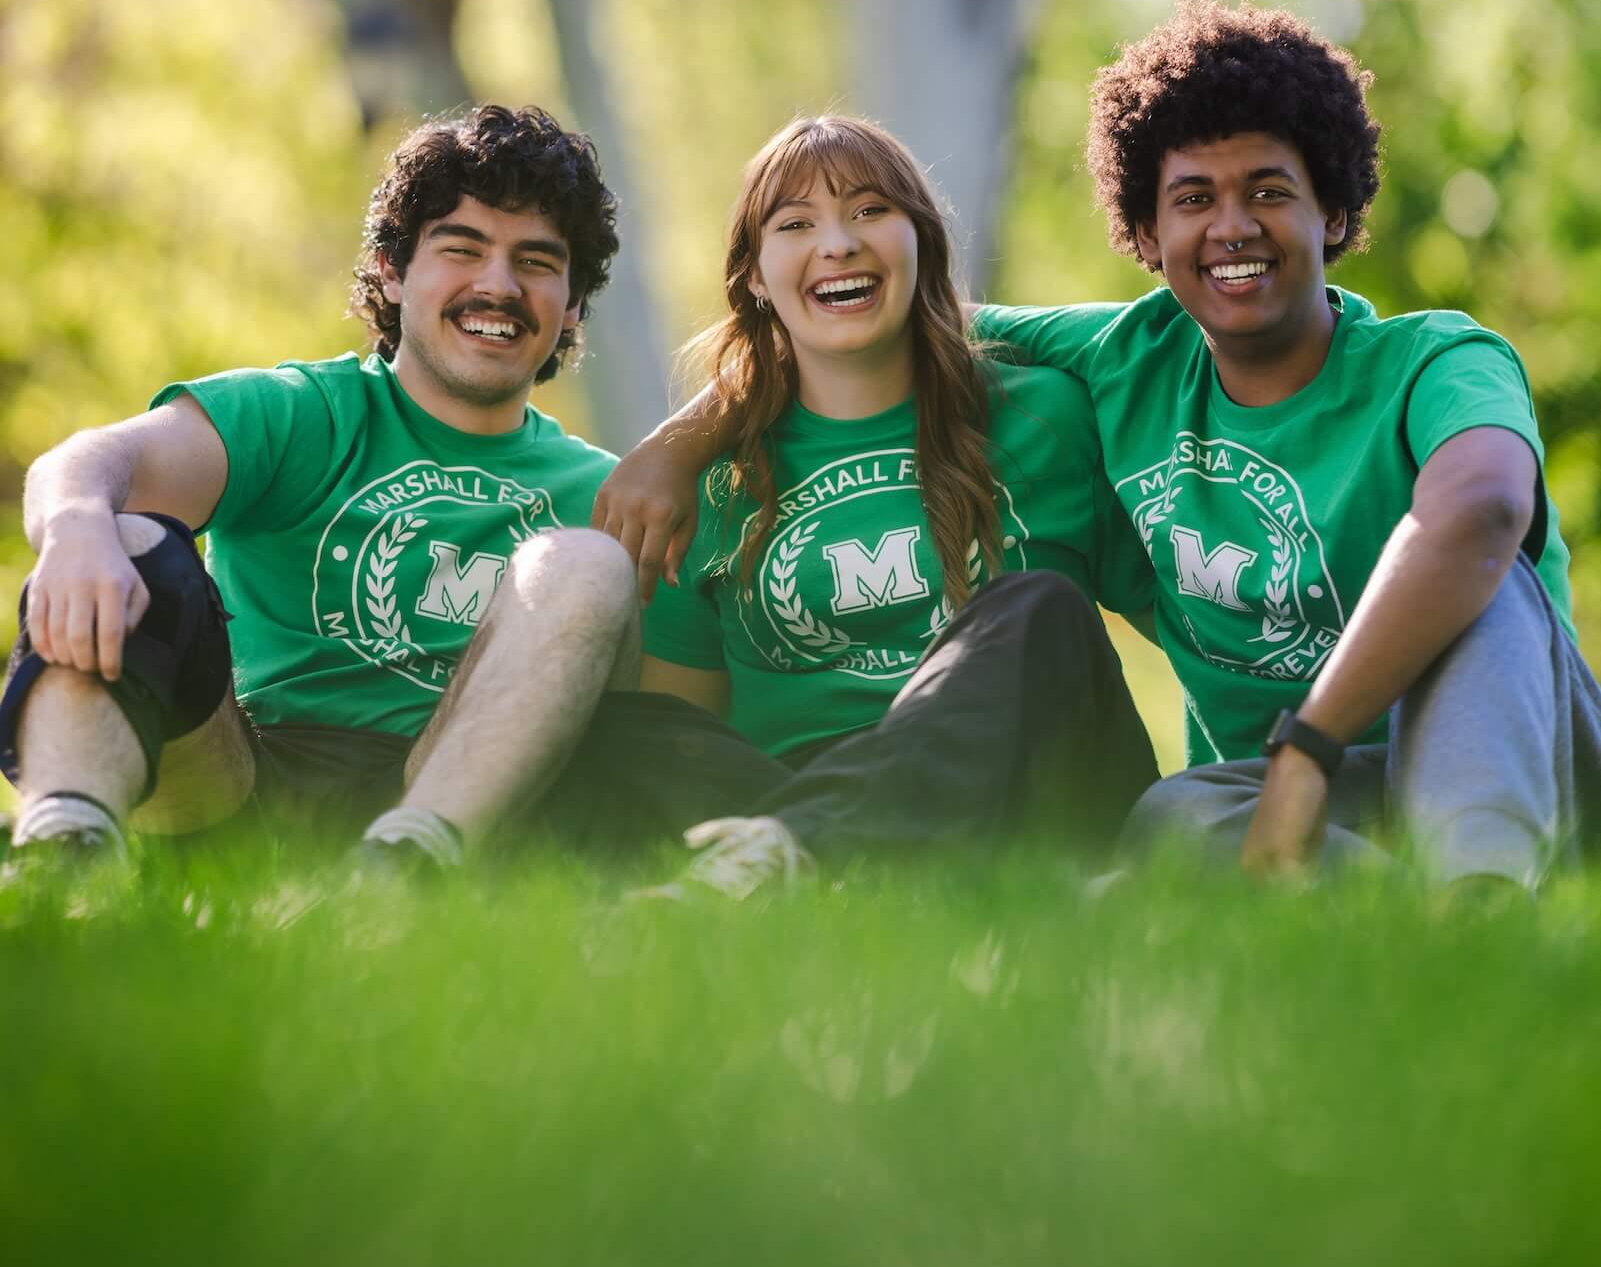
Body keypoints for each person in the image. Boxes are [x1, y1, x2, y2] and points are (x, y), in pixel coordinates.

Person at [967, 0, 1601, 887]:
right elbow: (896, 331)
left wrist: (1308, 742)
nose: (1231, 225)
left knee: (1482, 585)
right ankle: (1407, 919)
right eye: (1193, 199)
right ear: (1148, 234)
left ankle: (1482, 894)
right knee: (1172, 815)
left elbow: (1488, 506)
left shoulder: (1436, 360)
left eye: (1268, 190)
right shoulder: (1127, 357)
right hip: (1304, 799)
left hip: (1529, 771)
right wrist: (697, 435)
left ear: (1332, 215)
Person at [3, 103, 640, 876]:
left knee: (590, 564)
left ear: (572, 304)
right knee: (125, 538)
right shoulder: (300, 413)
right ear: (393, 271)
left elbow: (672, 721)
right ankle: (64, 856)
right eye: (461, 248)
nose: (497, 285)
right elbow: (90, 462)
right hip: (240, 782)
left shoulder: (611, 492)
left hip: (469, 802)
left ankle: (403, 875)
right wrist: (75, 529)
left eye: (537, 262)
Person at [587, 114, 1160, 901]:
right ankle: (826, 865)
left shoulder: (1048, 415)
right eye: (795, 225)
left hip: (1030, 801)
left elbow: (1189, 618)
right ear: (755, 276)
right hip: (780, 803)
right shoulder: (708, 482)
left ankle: (811, 852)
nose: (838, 243)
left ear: (920, 241)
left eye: (869, 211)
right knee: (607, 724)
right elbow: (685, 730)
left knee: (1038, 605)